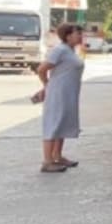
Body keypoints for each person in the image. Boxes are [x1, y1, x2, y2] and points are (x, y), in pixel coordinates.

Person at [35, 23, 85, 173]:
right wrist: (47, 85)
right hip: (58, 93)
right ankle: (47, 161)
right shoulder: (60, 50)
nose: (80, 36)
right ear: (68, 36)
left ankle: (57, 156)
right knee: (53, 123)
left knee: (62, 123)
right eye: (78, 33)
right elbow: (42, 69)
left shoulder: (70, 51)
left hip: (69, 93)